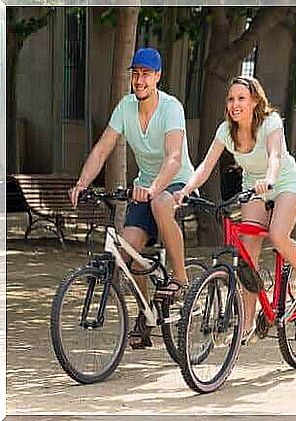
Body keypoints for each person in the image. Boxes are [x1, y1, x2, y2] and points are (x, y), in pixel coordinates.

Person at [69, 47, 195, 349]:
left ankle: (181, 279)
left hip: (176, 183)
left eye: (146, 74)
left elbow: (174, 158)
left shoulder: (171, 108)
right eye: (136, 74)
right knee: (129, 250)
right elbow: (102, 149)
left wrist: (154, 189)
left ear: (158, 77)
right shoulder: (125, 107)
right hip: (144, 187)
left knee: (160, 203)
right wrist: (82, 183)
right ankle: (145, 314)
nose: (140, 80)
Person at [173, 75, 296, 344]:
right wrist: (185, 189)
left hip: (283, 181)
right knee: (248, 256)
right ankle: (248, 321)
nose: (235, 104)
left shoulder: (270, 122)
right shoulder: (226, 130)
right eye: (231, 99)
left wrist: (270, 179)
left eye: (241, 98)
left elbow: (274, 156)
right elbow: (205, 166)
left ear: (255, 101)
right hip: (252, 185)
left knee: (278, 235)